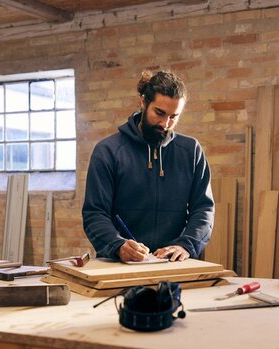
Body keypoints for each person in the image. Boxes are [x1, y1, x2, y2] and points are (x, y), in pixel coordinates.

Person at [82, 70, 214, 263]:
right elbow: (95, 213)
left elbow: (203, 209)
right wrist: (117, 245)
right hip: (120, 265)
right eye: (159, 113)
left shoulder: (191, 151)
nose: (165, 123)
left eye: (173, 117)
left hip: (173, 265)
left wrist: (186, 245)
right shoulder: (108, 151)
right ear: (143, 102)